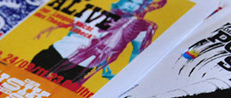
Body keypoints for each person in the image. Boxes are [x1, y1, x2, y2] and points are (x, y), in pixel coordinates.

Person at [31, 0, 163, 83]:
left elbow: (137, 52)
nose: (131, 5)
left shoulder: (138, 28)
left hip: (78, 68)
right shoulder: (91, 12)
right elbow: (71, 35)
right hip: (53, 54)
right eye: (129, 0)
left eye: (137, 4)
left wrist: (125, 76)